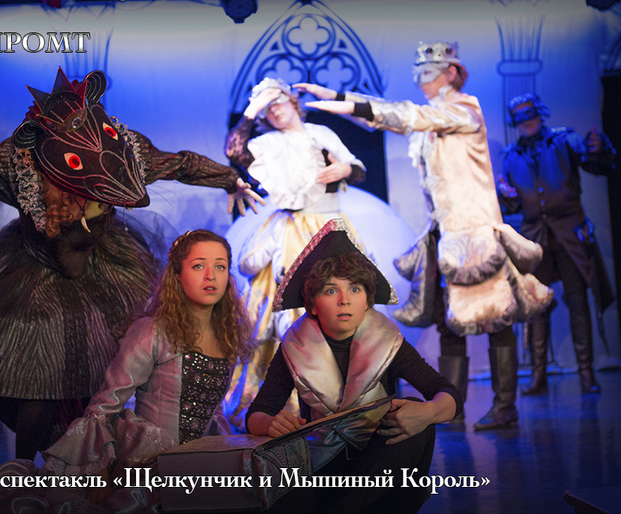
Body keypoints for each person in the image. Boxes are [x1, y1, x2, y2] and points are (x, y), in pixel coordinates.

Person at [0, 68, 263, 460]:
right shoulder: (22, 163)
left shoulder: (121, 150)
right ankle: (27, 472)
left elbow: (179, 164)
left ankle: (86, 458)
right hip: (35, 277)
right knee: (38, 384)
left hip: (102, 270)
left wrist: (229, 179)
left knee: (104, 374)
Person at [301, 42, 553, 431]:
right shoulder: (431, 119)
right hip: (442, 233)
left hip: (473, 232)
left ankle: (505, 406)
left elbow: (409, 116)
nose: (421, 80)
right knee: (448, 322)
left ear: (451, 72)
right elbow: (391, 119)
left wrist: (349, 104)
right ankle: (454, 406)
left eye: (429, 72)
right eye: (417, 73)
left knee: (495, 318)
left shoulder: (464, 110)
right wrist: (338, 98)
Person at [246, 218, 462, 514]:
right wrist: (269, 423)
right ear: (312, 304)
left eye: (355, 289)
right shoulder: (294, 347)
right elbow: (257, 414)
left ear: (368, 301)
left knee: (414, 414)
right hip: (322, 471)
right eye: (330, 291)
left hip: (383, 469)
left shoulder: (388, 341)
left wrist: (430, 412)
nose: (344, 301)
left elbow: (447, 394)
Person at [40, 229, 255, 509]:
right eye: (198, 265)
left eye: (220, 266)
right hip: (149, 462)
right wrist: (99, 472)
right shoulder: (152, 332)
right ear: (177, 275)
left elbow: (212, 413)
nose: (210, 276)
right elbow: (103, 407)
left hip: (200, 463)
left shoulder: (228, 337)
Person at [223, 77, 366, 429]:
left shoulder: (321, 133)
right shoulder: (266, 143)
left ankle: (342, 398)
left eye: (279, 101)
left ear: (292, 101)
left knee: (340, 303)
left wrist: (345, 168)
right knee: (287, 310)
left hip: (328, 227)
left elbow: (358, 170)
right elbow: (235, 152)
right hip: (290, 230)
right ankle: (285, 403)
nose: (275, 110)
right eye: (267, 108)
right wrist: (251, 111)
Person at [499, 93, 616, 394]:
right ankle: (538, 376)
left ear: (540, 113)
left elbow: (595, 161)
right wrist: (506, 196)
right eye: (520, 118)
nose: (527, 122)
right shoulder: (511, 156)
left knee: (577, 301)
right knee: (537, 306)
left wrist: (598, 148)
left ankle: (586, 374)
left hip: (569, 236)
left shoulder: (565, 140)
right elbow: (512, 204)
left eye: (530, 114)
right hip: (535, 241)